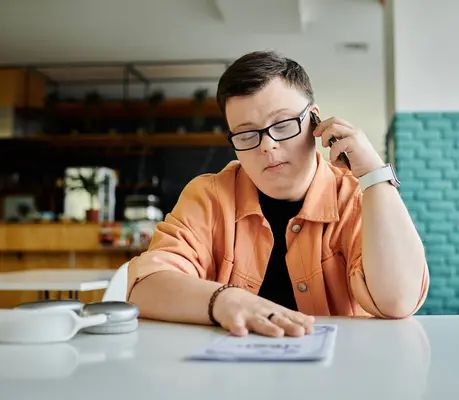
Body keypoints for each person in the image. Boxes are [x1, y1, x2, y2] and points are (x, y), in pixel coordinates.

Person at [127, 50, 429, 338]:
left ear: (315, 120)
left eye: (283, 125)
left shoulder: (358, 198)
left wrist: (375, 177)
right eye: (246, 134)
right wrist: (225, 300)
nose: (267, 145)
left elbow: (398, 302)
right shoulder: (209, 197)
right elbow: (145, 286)